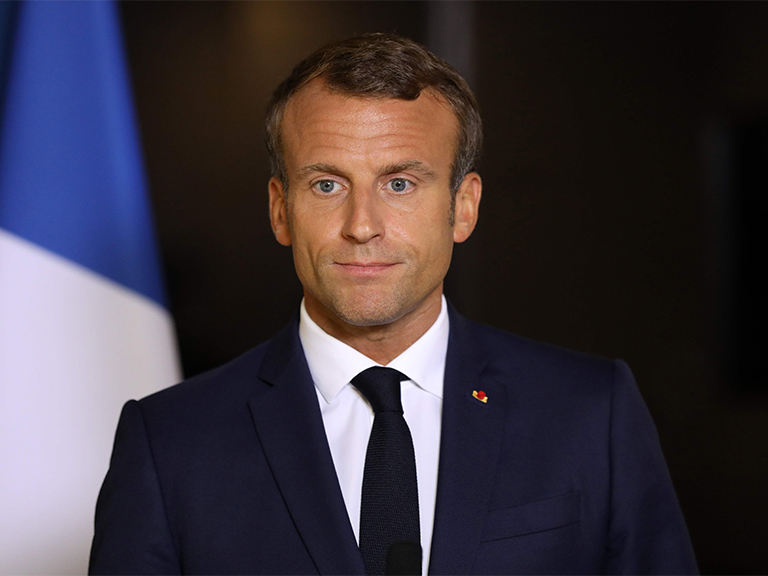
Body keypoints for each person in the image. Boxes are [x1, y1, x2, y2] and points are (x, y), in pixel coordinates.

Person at [89, 33, 697, 575]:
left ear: (463, 207)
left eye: (399, 184)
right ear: (280, 210)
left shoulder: (591, 412)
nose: (362, 225)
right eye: (327, 184)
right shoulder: (169, 442)